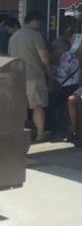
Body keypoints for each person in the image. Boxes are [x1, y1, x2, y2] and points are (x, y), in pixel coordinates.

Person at [9, 10, 51, 142]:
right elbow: (43, 55)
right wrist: (49, 68)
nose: (40, 25)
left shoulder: (14, 37)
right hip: (34, 75)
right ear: (33, 21)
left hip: (17, 76)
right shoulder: (35, 35)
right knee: (37, 106)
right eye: (39, 22)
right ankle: (40, 134)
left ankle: (19, 134)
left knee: (21, 108)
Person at [47, 35, 82, 134]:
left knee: (50, 102)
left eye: (56, 48)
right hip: (66, 85)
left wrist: (51, 72)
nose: (55, 51)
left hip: (70, 86)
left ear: (63, 47)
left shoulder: (68, 56)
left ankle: (52, 127)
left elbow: (62, 73)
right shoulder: (63, 56)